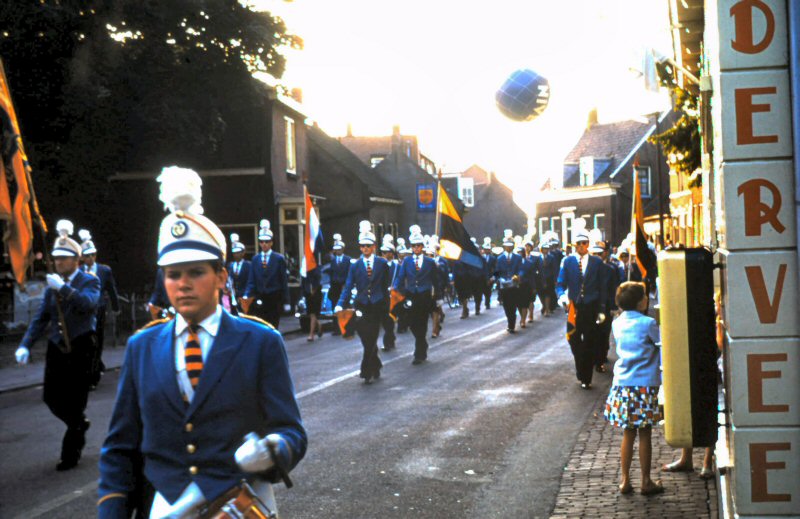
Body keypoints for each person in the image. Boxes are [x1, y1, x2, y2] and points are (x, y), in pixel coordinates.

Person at [98, 166, 306, 518]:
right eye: (173, 274)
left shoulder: (260, 342)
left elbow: (291, 430)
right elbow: (120, 448)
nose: (183, 284)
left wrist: (274, 449)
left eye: (196, 272)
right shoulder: (142, 347)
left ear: (221, 277)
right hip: (167, 505)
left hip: (240, 503)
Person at [15, 219, 101, 471]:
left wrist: (64, 289)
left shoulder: (89, 280)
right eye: (56, 258)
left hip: (81, 345)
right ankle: (79, 422)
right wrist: (25, 344)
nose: (58, 263)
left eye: (63, 258)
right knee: (51, 397)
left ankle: (70, 453)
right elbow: (42, 317)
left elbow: (88, 304)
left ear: (76, 260)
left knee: (76, 399)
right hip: (57, 346)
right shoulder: (52, 284)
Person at [603, 281, 664, 496]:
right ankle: (646, 481)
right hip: (645, 385)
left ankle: (625, 480)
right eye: (644, 296)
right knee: (645, 433)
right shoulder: (648, 323)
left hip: (622, 383)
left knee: (628, 433)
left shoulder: (617, 323)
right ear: (640, 302)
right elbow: (661, 345)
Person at [334, 221, 390, 383]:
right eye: (362, 246)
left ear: (374, 247)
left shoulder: (382, 263)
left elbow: (385, 285)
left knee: (372, 337)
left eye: (368, 245)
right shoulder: (355, 265)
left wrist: (387, 305)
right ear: (360, 248)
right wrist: (340, 303)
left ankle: (366, 371)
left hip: (377, 306)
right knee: (366, 338)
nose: (365, 248)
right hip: (362, 306)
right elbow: (348, 285)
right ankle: (376, 364)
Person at [556, 228, 609, 389]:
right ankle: (581, 365)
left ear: (588, 244)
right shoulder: (568, 261)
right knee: (573, 339)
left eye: (584, 243)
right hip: (574, 307)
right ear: (574, 245)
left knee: (590, 341)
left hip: (591, 306)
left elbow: (603, 287)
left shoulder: (596, 262)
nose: (581, 246)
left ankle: (586, 377)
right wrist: (563, 298)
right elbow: (560, 284)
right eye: (578, 243)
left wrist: (602, 309)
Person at [78, 229, 120, 388]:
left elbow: (111, 289)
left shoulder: (104, 270)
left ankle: (93, 378)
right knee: (86, 342)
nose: (90, 258)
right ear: (82, 257)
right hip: (83, 312)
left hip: (99, 310)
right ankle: (94, 365)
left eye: (93, 255)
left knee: (97, 341)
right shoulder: (78, 272)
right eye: (87, 255)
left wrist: (116, 307)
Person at [393, 225, 437, 365]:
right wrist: (397, 289)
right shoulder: (407, 261)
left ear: (422, 247)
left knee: (422, 323)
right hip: (411, 296)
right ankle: (422, 342)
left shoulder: (430, 262)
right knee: (411, 322)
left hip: (424, 296)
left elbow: (435, 280)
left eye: (418, 245)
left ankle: (419, 353)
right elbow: (401, 277)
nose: (416, 248)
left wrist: (437, 296)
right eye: (413, 246)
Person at [243, 219, 291, 327]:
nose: (264, 244)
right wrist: (246, 294)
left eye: (267, 241)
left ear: (271, 243)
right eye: (261, 242)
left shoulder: (278, 259)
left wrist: (287, 301)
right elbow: (251, 280)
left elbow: (284, 281)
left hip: (274, 298)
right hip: (260, 297)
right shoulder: (255, 259)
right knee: (262, 325)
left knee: (273, 326)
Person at [495, 230, 523, 333]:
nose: (508, 248)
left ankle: (512, 324)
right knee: (506, 305)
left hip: (514, 284)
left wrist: (518, 276)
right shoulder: (500, 258)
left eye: (510, 246)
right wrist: (497, 279)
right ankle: (509, 320)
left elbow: (521, 269)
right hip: (504, 285)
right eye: (507, 246)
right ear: (504, 247)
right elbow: (497, 271)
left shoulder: (518, 257)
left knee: (513, 305)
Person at [327, 233, 351, 336]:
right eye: (336, 249)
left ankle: (346, 327)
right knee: (335, 307)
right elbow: (331, 273)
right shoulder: (332, 260)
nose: (338, 251)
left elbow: (350, 274)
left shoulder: (348, 260)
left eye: (339, 249)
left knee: (345, 307)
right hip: (335, 287)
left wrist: (347, 285)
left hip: (344, 286)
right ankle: (336, 328)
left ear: (343, 249)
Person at [379, 234, 398, 350]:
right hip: (383, 296)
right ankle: (390, 338)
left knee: (390, 319)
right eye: (383, 252)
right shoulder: (380, 265)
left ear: (391, 253)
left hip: (394, 295)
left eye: (386, 252)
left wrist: (395, 287)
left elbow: (400, 278)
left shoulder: (397, 266)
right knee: (385, 320)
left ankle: (388, 341)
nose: (384, 254)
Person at [226, 233, 251, 315]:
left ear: (243, 253)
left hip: (244, 296)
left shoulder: (248, 265)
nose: (236, 255)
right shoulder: (230, 265)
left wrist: (246, 295)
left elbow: (250, 281)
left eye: (238, 252)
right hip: (233, 296)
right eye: (234, 253)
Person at [302, 263, 323, 342]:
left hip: (315, 293)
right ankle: (319, 325)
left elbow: (318, 279)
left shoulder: (317, 268)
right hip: (308, 293)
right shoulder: (304, 268)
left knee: (313, 314)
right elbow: (303, 280)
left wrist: (314, 289)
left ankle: (311, 334)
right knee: (311, 313)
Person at [480, 238, 496, 310]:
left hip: (490, 277)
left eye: (488, 249)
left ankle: (487, 302)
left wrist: (493, 277)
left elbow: (495, 268)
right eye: (485, 249)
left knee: (488, 291)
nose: (486, 250)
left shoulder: (493, 258)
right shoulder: (481, 257)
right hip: (482, 277)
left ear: (490, 250)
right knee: (483, 290)